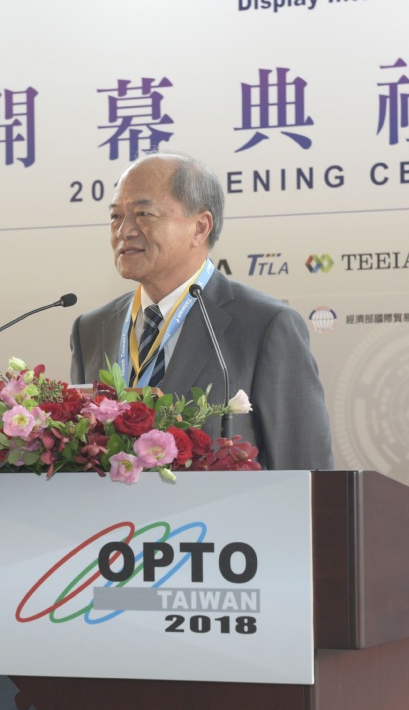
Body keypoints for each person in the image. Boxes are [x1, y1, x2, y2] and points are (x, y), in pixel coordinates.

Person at [69, 151, 334, 471]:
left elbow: (305, 469)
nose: (124, 230)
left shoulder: (265, 326)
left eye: (143, 214)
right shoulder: (91, 329)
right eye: (116, 216)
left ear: (200, 227)